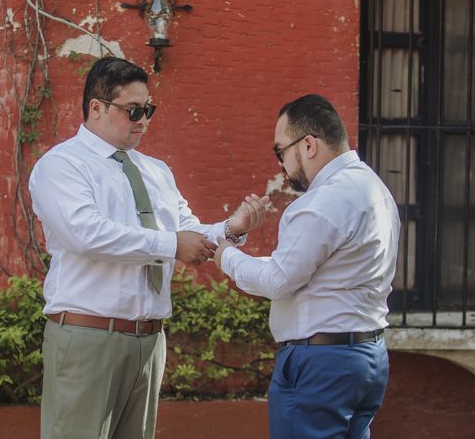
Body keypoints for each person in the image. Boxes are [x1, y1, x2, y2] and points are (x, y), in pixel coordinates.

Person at [29, 56, 263, 439]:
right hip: (89, 336)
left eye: (148, 110)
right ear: (96, 107)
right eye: (133, 110)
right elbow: (85, 233)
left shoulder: (156, 171)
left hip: (149, 339)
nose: (143, 120)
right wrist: (171, 245)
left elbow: (185, 228)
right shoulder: (63, 165)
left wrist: (229, 229)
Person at [215, 94, 400, 439]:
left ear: (309, 145)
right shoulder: (376, 189)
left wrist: (225, 254)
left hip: (322, 363)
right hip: (368, 356)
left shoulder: (321, 201)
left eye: (280, 151)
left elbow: (277, 281)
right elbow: (311, 271)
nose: (281, 165)